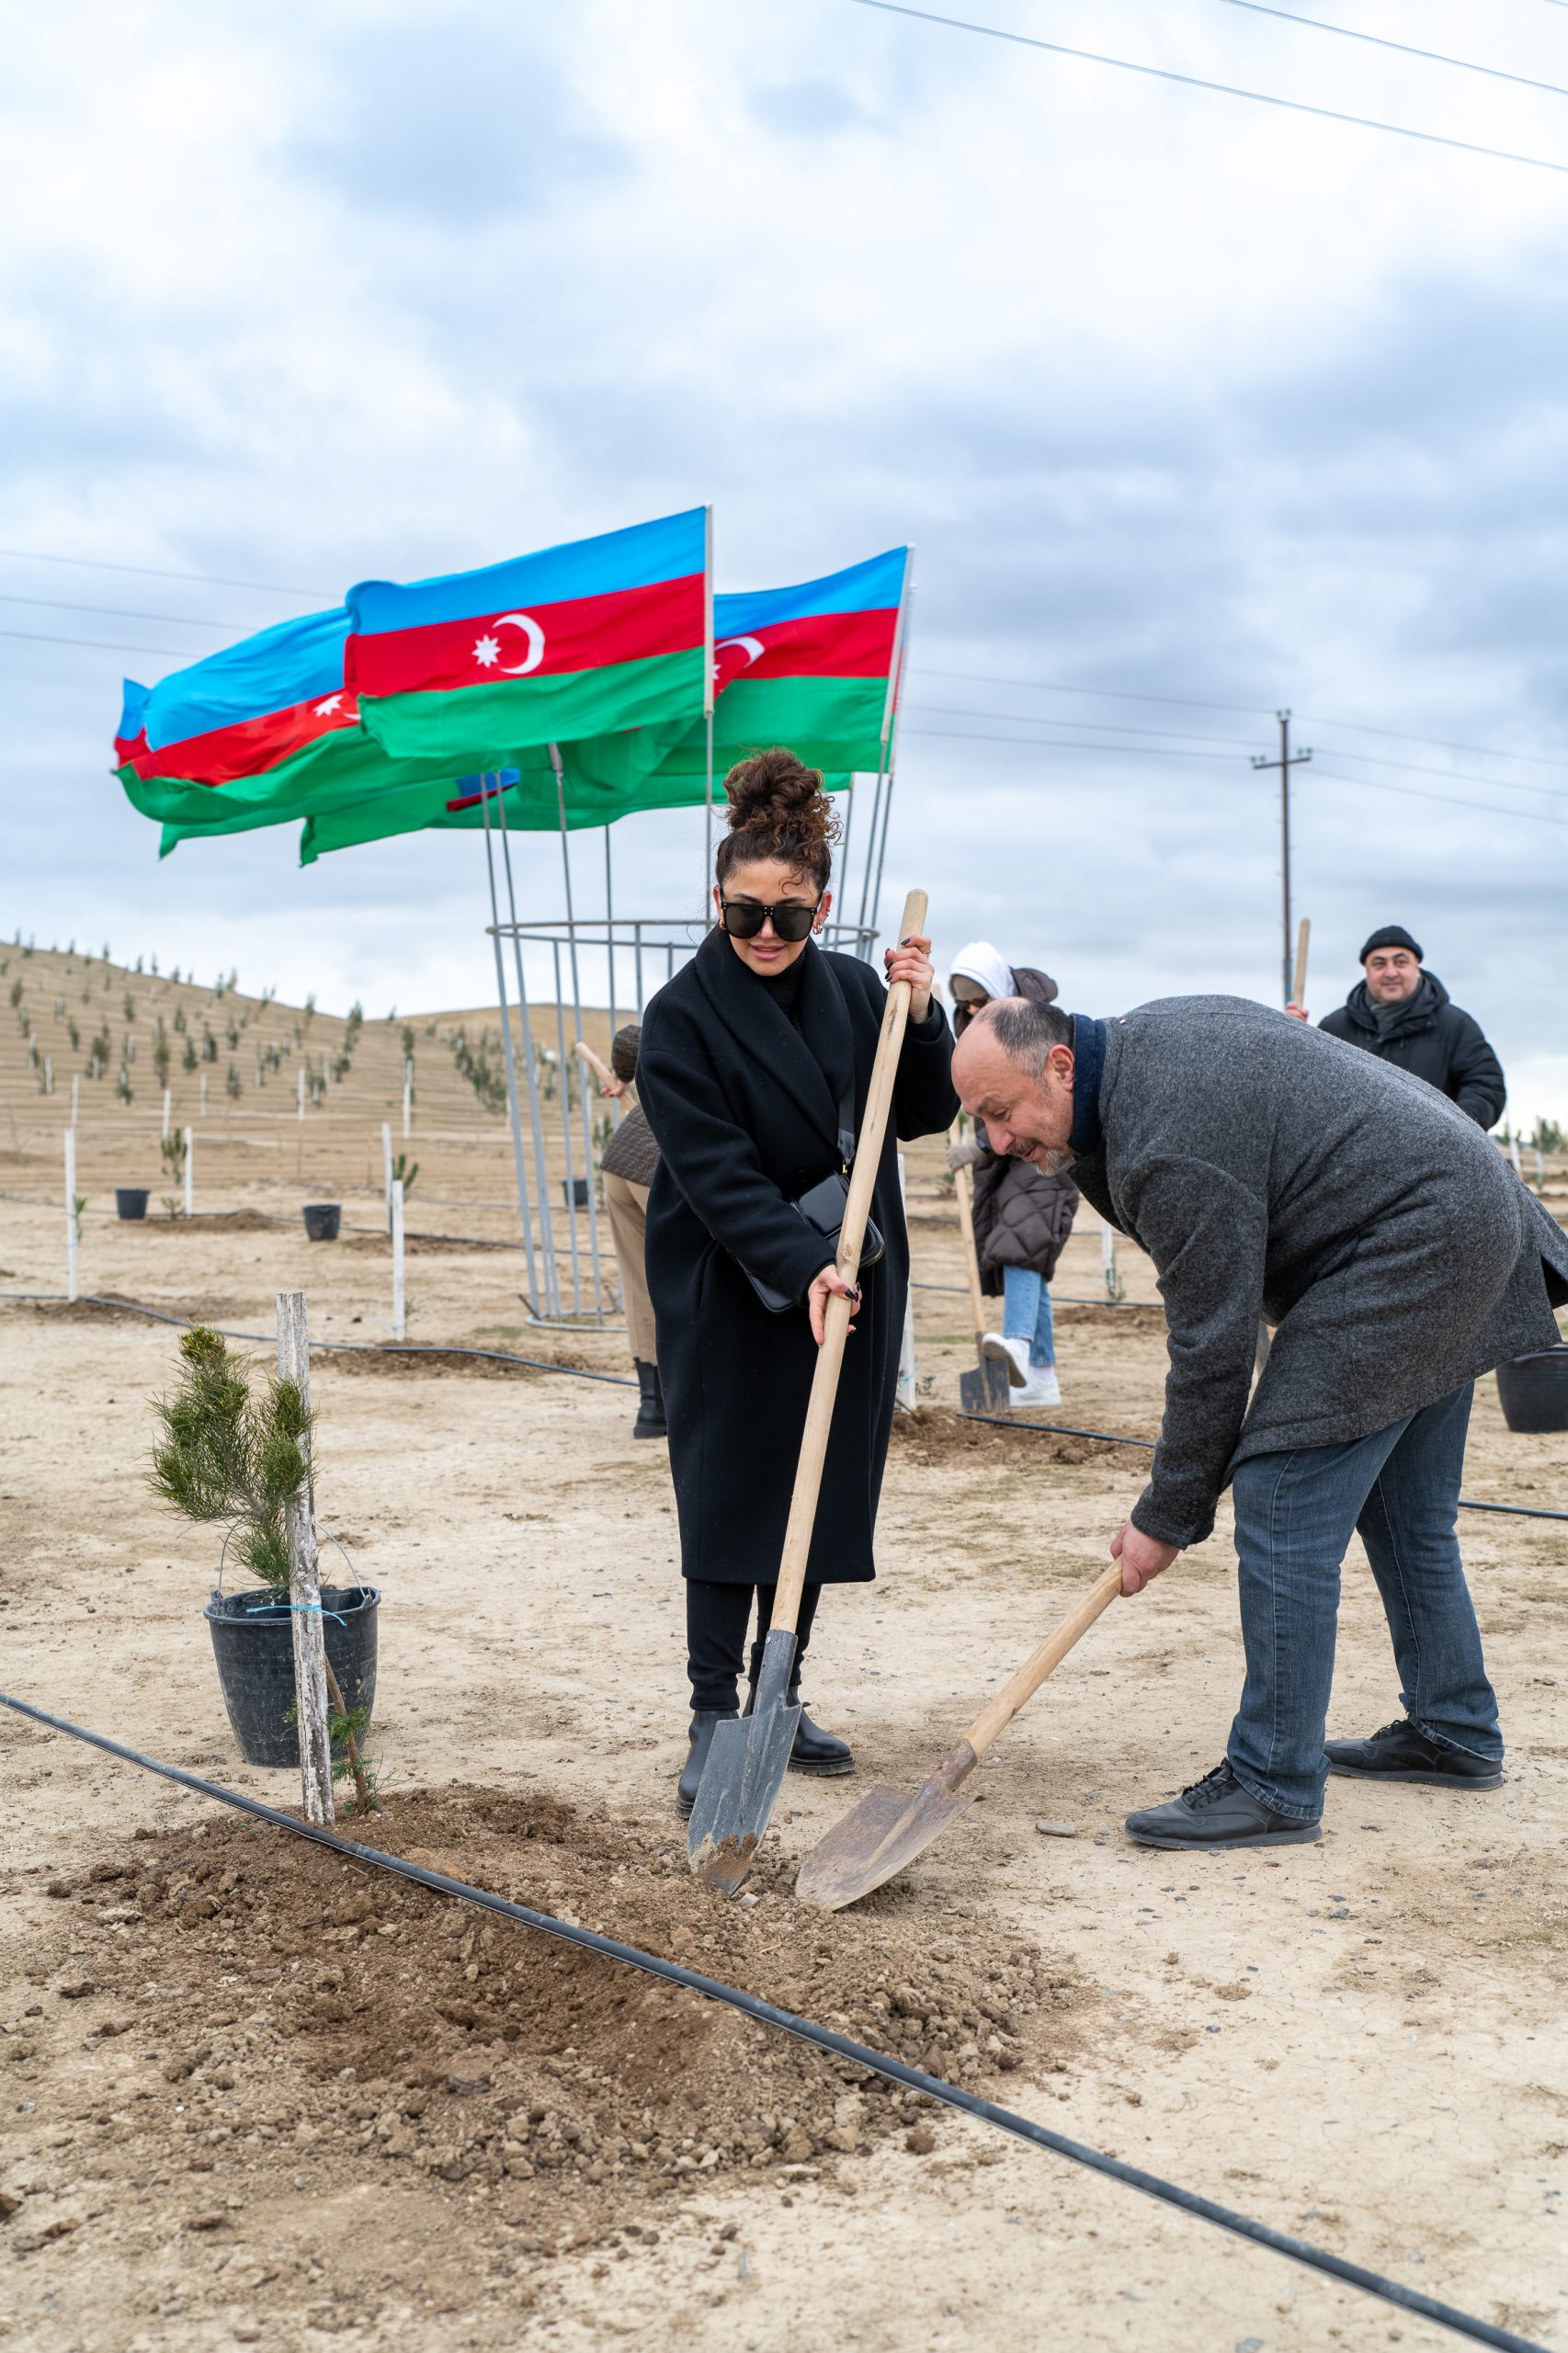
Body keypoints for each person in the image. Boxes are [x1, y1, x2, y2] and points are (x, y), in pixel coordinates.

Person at [951, 992, 1568, 1853]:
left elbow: (1214, 1344)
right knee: (1404, 1507)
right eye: (980, 1122)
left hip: (1417, 1241)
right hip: (1462, 1219)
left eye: (1000, 1112)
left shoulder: (1167, 1133)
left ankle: (1272, 1781)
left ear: (1059, 1067)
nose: (995, 1142)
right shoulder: (1134, 1066)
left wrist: (1166, 1516)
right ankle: (1453, 1728)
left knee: (1282, 1495)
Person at [636, 749, 959, 1814]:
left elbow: (920, 1111)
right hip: (733, 1279)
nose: (766, 934)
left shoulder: (858, 990)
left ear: (820, 906)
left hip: (850, 1272)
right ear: (716, 901)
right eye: (745, 914)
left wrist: (923, 1015)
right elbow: (714, 1172)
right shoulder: (681, 1016)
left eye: (789, 914)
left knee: (812, 1493)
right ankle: (711, 1711)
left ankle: (778, 1695)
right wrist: (796, 1262)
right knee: (730, 1489)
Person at [946, 943, 1078, 1406]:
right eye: (965, 1004)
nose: (972, 1010)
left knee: (1021, 1244)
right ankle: (1040, 1376)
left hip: (1045, 1151)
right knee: (1025, 1250)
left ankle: (1019, 1345)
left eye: (980, 1000)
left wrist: (979, 1145)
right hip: (1009, 1159)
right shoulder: (972, 1029)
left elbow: (1020, 1098)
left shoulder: (1032, 1026)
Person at [1303, 925, 1506, 1130]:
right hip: (1351, 1149)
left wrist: (1451, 1133)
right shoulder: (1334, 1028)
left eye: (1400, 962)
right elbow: (1312, 1091)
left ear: (1416, 966)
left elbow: (1486, 1087)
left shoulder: (1457, 1025)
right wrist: (1298, 1042)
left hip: (1433, 1148)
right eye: (1379, 964)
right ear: (1367, 970)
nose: (1391, 972)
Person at [595, 1023, 665, 1439]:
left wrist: (623, 1077)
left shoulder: (683, 1019)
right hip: (658, 1165)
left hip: (620, 1162)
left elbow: (629, 1040)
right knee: (689, 1278)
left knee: (640, 1282)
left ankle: (652, 1407)